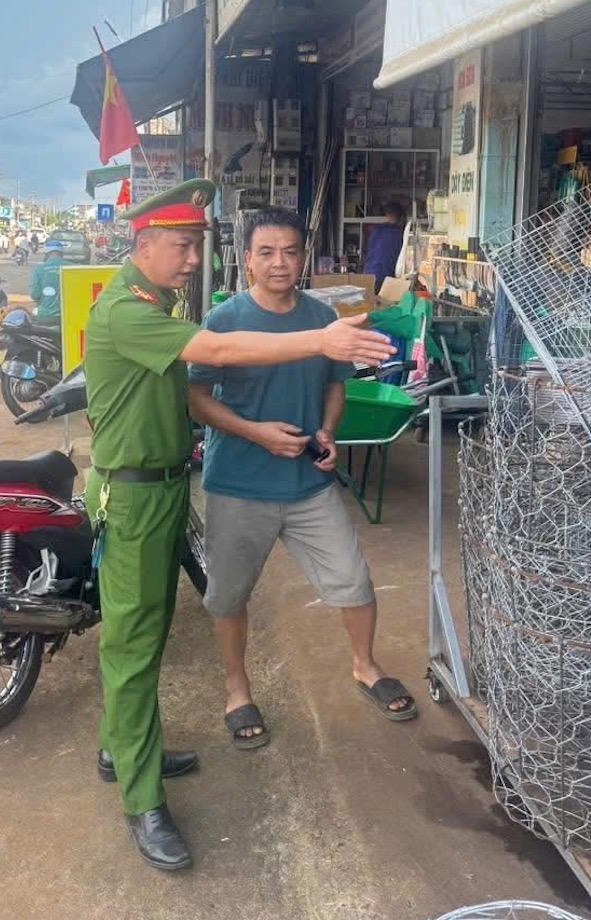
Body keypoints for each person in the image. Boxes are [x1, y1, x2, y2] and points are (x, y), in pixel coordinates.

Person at [84, 180, 395, 872]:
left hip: (166, 488)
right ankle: (142, 797)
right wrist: (320, 337)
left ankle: (122, 744)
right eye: (180, 245)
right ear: (142, 244)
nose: (192, 258)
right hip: (134, 496)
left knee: (150, 631)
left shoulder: (158, 300)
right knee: (135, 645)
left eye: (197, 246)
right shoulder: (129, 312)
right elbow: (215, 360)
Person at [188, 207, 418, 755]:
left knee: (354, 582)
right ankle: (237, 689)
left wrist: (329, 430)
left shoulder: (324, 318)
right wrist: (254, 432)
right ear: (247, 261)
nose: (279, 263)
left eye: (290, 252)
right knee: (228, 595)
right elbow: (194, 397)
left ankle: (365, 666)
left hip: (308, 485)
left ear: (304, 259)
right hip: (239, 484)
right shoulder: (223, 321)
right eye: (266, 253)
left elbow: (335, 385)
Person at [363, 203, 406, 295]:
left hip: (368, 272)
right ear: (401, 217)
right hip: (385, 275)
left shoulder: (376, 230)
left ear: (386, 215)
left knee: (369, 303)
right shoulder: (399, 234)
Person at [29, 241, 66, 321]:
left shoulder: (39, 269)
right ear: (62, 253)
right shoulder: (73, 268)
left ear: (46, 253)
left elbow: (35, 294)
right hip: (70, 317)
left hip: (46, 316)